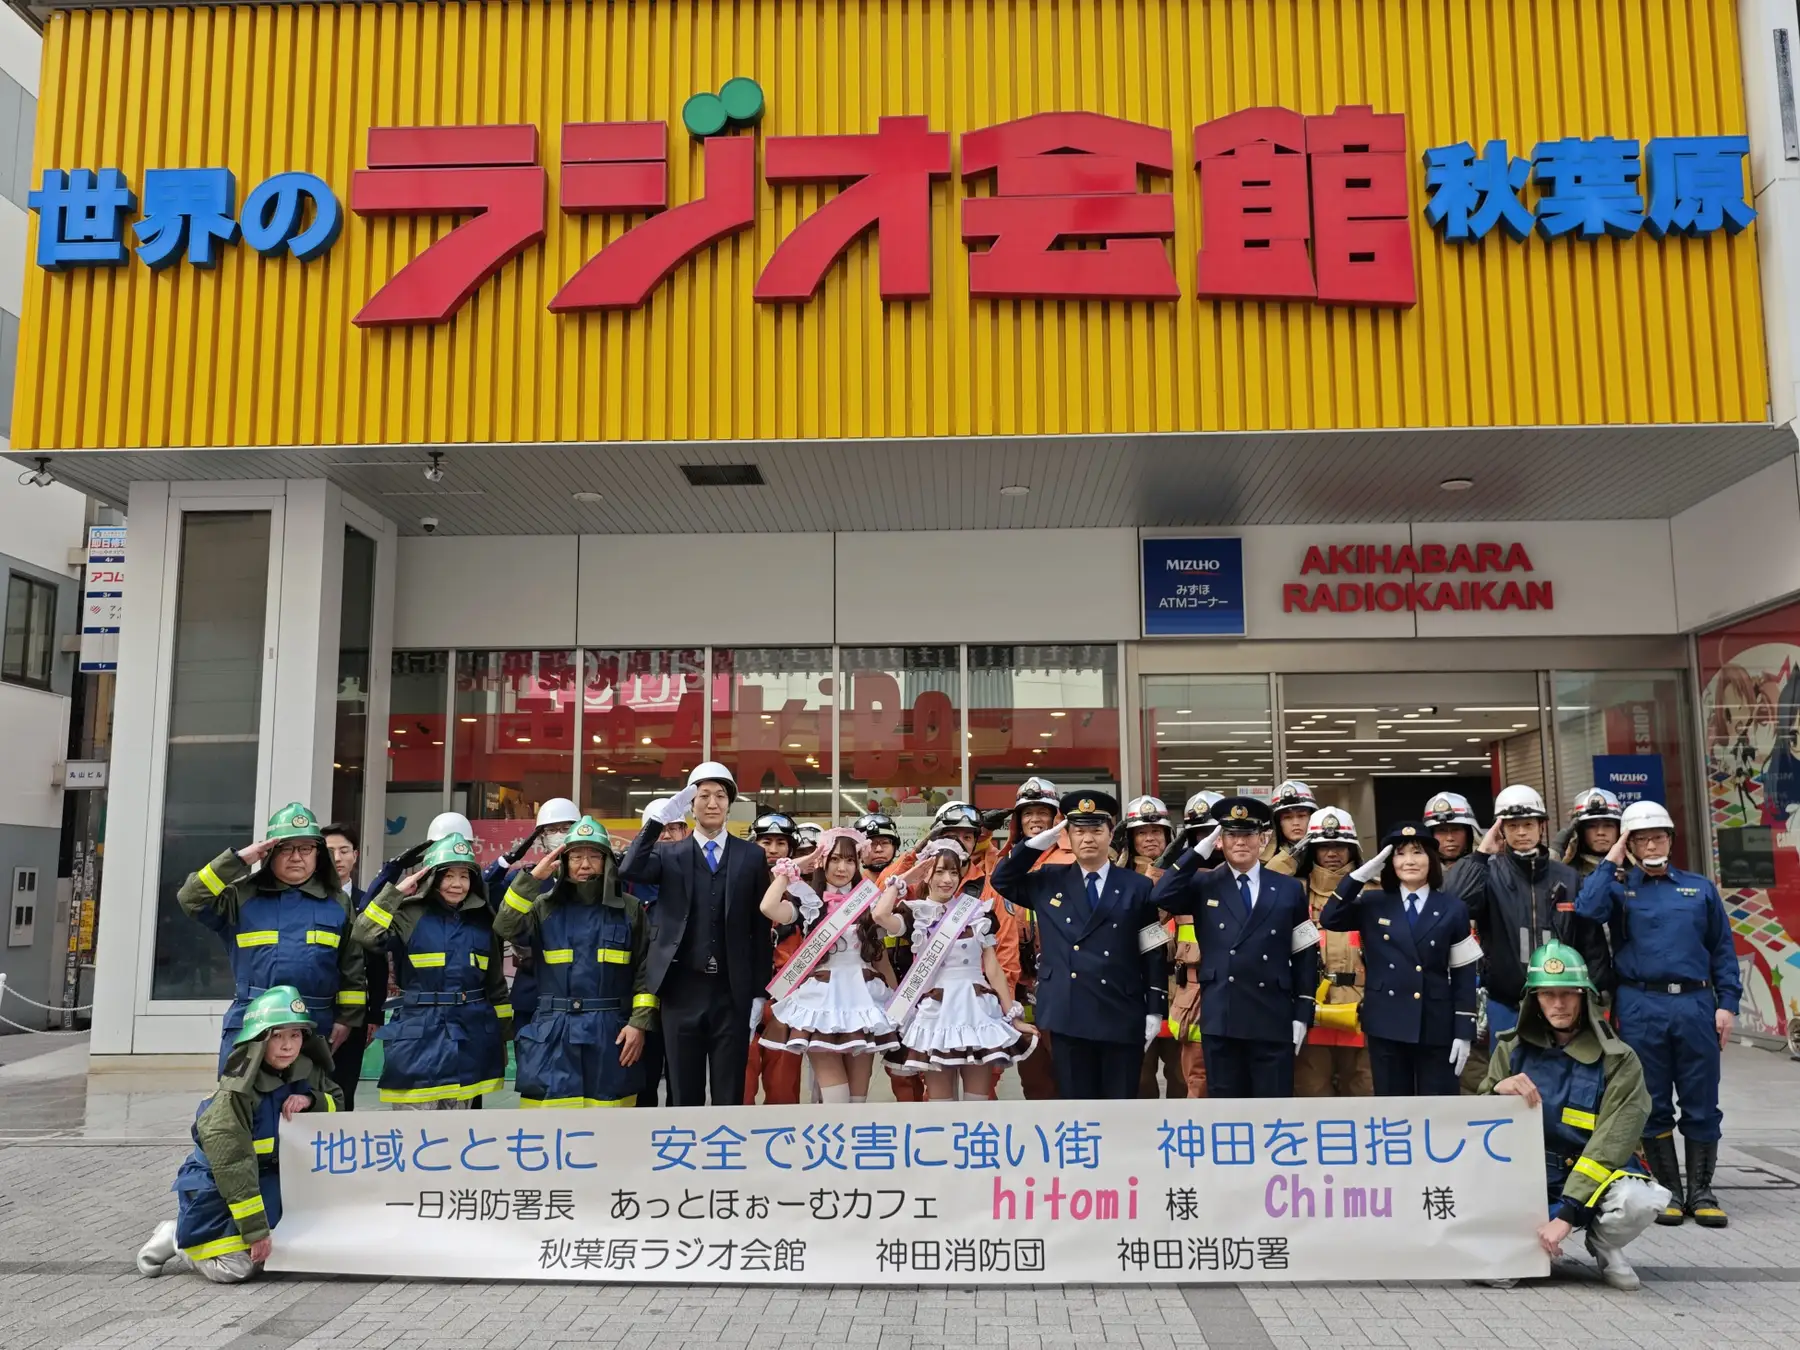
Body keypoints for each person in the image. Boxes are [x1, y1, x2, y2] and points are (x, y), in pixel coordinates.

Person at [1576, 800, 1742, 1228]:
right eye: (1641, 839)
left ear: (1671, 839)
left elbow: (1722, 950)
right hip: (1640, 1003)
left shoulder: (1698, 888)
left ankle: (1702, 1191)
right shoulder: (1618, 887)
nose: (1652, 845)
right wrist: (1612, 859)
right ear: (1629, 844)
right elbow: (1587, 910)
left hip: (1695, 1003)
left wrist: (1727, 1004)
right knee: (1651, 1100)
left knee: (1701, 1099)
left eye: (1659, 836)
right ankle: (1668, 1190)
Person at [1481, 942, 1664, 1291]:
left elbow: (1610, 1145)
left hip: (1597, 1177)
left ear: (1586, 998)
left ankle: (1604, 1242)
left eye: (1568, 994)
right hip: (1531, 1179)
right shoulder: (1511, 1049)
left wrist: (1566, 1215)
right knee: (1496, 1276)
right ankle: (1528, 1243)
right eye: (1547, 995)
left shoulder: (1620, 1060)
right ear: (1533, 999)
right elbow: (1474, 1125)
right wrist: (1496, 1092)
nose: (1559, 1004)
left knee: (1638, 1200)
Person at [135, 985, 343, 1284]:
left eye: (295, 1035)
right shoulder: (234, 1097)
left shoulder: (306, 1071)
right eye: (278, 1036)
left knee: (284, 1254)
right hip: (221, 1190)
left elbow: (338, 1102)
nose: (288, 1046)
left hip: (270, 1184)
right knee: (238, 1268)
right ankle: (178, 1238)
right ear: (259, 1040)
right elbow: (234, 1167)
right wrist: (256, 1232)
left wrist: (312, 1100)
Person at [990, 791, 1167, 1099]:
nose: (1088, 838)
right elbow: (1002, 879)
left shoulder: (1136, 885)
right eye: (1079, 831)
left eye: (1097, 830)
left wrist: (1155, 1009)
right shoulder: (1049, 879)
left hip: (1120, 1009)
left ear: (1111, 834)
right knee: (1075, 1104)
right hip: (1067, 1009)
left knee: (1121, 1100)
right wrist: (1035, 845)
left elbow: (1152, 947)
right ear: (1067, 836)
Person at [621, 763, 773, 1106]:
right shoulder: (668, 853)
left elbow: (759, 927)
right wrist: (657, 822)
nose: (712, 803)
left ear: (730, 803)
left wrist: (759, 993)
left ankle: (726, 1154)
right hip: (680, 989)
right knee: (683, 1090)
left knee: (728, 1088)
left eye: (720, 795)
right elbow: (629, 868)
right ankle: (685, 1154)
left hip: (731, 992)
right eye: (702, 795)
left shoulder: (752, 856)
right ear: (690, 805)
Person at [1150, 796, 1319, 1097]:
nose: (1240, 842)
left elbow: (1304, 953)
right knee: (1227, 1111)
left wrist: (1303, 1011)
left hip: (1273, 1014)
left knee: (1273, 1108)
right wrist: (1198, 851)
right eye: (1231, 834)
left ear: (1262, 838)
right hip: (1222, 1015)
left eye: (1247, 834)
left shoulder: (1288, 888)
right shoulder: (1204, 884)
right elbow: (1161, 894)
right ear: (1220, 840)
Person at [178, 802, 365, 1074]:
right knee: (243, 1109)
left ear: (317, 854)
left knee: (307, 1107)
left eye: (305, 848)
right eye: (286, 848)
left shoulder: (337, 903)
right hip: (253, 1024)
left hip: (312, 1027)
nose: (296, 857)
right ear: (269, 853)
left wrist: (347, 1019)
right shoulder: (241, 896)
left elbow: (352, 965)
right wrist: (240, 859)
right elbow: (191, 898)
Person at [496, 816, 657, 1107]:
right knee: (550, 1132)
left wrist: (639, 1024)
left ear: (608, 861)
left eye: (594, 856)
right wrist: (533, 881)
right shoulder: (543, 907)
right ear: (564, 862)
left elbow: (646, 972)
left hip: (611, 1035)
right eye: (577, 857)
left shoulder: (630, 910)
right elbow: (505, 927)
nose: (585, 865)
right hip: (553, 1035)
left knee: (610, 1128)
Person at [1443, 785, 1613, 1047]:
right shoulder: (1488, 873)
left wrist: (1592, 989)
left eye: (1528, 824)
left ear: (1541, 826)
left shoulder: (1567, 876)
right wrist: (1481, 855)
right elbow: (1456, 905)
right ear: (1500, 830)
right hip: (1505, 1002)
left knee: (1562, 1078)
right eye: (1512, 826)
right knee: (1507, 1080)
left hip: (1562, 1002)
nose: (1521, 832)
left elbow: (1589, 937)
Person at [351, 833, 511, 1107]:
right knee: (415, 1131)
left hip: (468, 1034)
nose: (457, 885)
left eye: (464, 876)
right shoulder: (408, 913)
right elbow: (364, 934)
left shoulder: (483, 919)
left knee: (461, 1129)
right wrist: (396, 893)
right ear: (432, 877)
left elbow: (495, 985)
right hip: (418, 1035)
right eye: (448, 875)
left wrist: (502, 1038)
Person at [1319, 823, 1479, 1095]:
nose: (1409, 861)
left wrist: (1464, 1028)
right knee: (1393, 1108)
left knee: (1438, 1107)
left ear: (1431, 858)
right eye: (1400, 854)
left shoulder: (1452, 908)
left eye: (1417, 853)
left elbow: (1463, 972)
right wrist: (1358, 876)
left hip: (1435, 1020)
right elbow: (1330, 918)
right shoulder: (1374, 902)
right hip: (1387, 1020)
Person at [759, 827, 902, 1103]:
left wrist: (899, 1001)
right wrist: (795, 865)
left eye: (850, 860)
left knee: (857, 1103)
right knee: (836, 1100)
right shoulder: (810, 901)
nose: (842, 867)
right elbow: (768, 907)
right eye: (835, 859)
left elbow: (879, 957)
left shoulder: (871, 901)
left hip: (864, 999)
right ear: (823, 861)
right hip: (821, 999)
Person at [887, 838, 1034, 1099]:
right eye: (939, 871)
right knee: (939, 1102)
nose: (947, 879)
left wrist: (1012, 1014)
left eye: (954, 872)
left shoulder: (977, 912)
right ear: (926, 873)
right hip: (936, 1011)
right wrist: (903, 880)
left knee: (977, 1101)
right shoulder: (915, 913)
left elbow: (993, 967)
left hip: (976, 1009)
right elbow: (878, 916)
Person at [1272, 807, 1372, 1097]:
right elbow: (1262, 885)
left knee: (1365, 1094)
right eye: (1323, 845)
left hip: (1362, 1010)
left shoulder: (1373, 890)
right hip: (1310, 1008)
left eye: (1340, 845)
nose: (1332, 852)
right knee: (1311, 1095)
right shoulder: (1293, 891)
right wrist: (1296, 850)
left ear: (1353, 848)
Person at [985, 777, 1067, 1101]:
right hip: (1018, 989)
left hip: (1063, 985)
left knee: (1070, 1074)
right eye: (1027, 813)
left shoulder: (1071, 861)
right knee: (1034, 1079)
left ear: (1055, 817)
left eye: (1042, 812)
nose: (1035, 819)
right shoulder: (1002, 864)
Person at [1116, 796, 1185, 1099]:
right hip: (1135, 989)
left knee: (1182, 1076)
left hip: (1181, 990)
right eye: (1141, 833)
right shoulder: (1116, 878)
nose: (1149, 838)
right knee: (1138, 1077)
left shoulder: (1186, 874)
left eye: (1156, 831)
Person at [856, 810, 923, 1103]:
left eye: (884, 842)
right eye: (870, 843)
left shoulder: (914, 883)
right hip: (861, 990)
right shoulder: (847, 887)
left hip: (911, 980)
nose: (878, 848)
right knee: (856, 1071)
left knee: (914, 1066)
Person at [626, 797, 686, 1107]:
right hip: (640, 993)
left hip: (682, 993)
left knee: (681, 1079)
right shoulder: (630, 880)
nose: (665, 835)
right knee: (644, 1080)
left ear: (685, 833)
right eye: (659, 829)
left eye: (673, 828)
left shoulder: (694, 873)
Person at [1164, 790, 1222, 1099]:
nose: (1209, 841)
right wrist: (1170, 862)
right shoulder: (1182, 882)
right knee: (1196, 1082)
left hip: (1238, 993)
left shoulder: (1247, 875)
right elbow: (1154, 906)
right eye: (1200, 833)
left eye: (1214, 832)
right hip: (1193, 998)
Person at [744, 811, 805, 1106]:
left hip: (785, 997)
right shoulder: (737, 885)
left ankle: (783, 1146)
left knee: (783, 1086)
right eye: (765, 842)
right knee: (741, 1082)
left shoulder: (805, 893)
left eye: (781, 843)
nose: (772, 849)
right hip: (743, 994)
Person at [320, 822, 378, 1109]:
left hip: (355, 1015)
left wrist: (374, 1014)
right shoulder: (310, 900)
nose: (338, 858)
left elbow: (377, 964)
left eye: (344, 850)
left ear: (355, 855)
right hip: (315, 1010)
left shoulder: (368, 901)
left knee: (344, 1090)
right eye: (330, 851)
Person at [1559, 788, 1623, 881]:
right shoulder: (1565, 875)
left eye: (1608, 825)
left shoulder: (1637, 870)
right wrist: (1555, 855)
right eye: (1591, 826)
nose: (1600, 832)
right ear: (1579, 831)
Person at [1265, 780, 1317, 865]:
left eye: (1301, 816)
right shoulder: (1264, 857)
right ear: (1278, 823)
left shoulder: (1325, 854)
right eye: (1287, 817)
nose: (1296, 823)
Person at [1422, 792, 1479, 864]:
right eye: (1442, 831)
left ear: (1469, 834)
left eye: (1456, 829)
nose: (1450, 838)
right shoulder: (1419, 872)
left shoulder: (1489, 869)